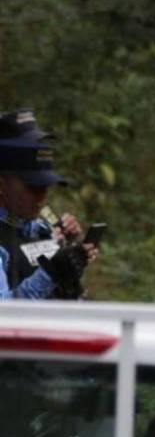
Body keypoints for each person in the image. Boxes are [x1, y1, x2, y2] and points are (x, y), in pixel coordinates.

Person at [0, 108, 98, 300]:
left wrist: (70, 257)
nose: (43, 195)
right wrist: (51, 273)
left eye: (46, 185)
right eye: (33, 187)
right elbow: (4, 318)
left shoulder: (41, 227)